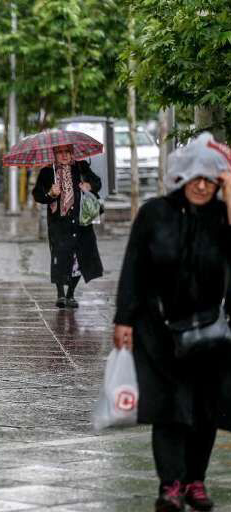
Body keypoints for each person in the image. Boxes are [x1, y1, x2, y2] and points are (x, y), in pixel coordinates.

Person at [113, 133, 231, 512]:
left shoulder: (222, 216)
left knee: (205, 410)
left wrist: (230, 191)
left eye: (210, 178)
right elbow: (134, 268)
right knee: (170, 409)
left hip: (213, 331)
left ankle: (196, 480)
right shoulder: (154, 213)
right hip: (159, 330)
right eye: (195, 177)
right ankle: (171, 485)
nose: (201, 185)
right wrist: (123, 319)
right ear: (180, 177)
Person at [31, 144, 103, 308]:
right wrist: (51, 194)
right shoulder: (48, 172)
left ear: (72, 154)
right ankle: (60, 295)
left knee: (80, 258)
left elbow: (97, 182)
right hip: (59, 223)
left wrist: (89, 186)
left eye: (68, 152)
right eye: (60, 153)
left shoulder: (81, 167)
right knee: (59, 257)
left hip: (81, 221)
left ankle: (71, 294)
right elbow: (37, 194)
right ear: (54, 155)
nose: (64, 156)